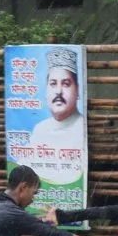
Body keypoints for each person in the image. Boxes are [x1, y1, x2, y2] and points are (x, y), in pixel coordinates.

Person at [15, 56, 88, 193]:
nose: (59, 91)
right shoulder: (40, 129)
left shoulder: (83, 128)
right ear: (46, 91)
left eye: (66, 83)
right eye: (53, 83)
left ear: (77, 90)